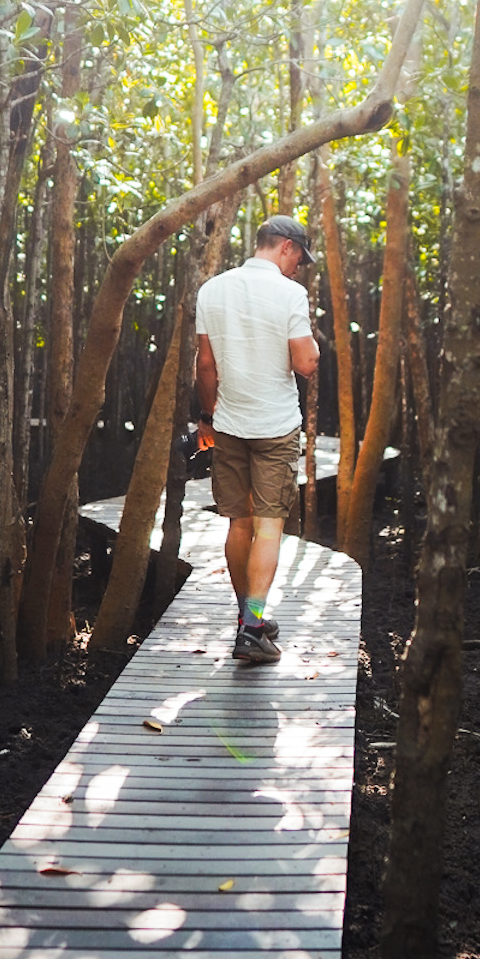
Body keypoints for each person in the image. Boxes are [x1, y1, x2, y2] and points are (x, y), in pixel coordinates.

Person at [194, 214, 318, 664]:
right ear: (285, 246)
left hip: (227, 425)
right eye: (299, 259)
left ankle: (250, 619)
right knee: (269, 526)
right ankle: (251, 625)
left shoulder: (213, 289)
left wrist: (207, 418)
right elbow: (305, 363)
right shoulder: (290, 294)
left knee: (238, 523)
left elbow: (204, 365)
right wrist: (312, 348)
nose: (298, 268)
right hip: (274, 426)